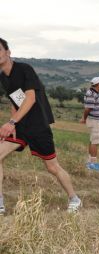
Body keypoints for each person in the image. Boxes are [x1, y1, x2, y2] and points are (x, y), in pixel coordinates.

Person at [0, 37, 81, 214]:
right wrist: (13, 124)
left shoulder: (24, 69)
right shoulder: (3, 77)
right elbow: (15, 101)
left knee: (52, 167)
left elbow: (30, 98)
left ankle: (74, 199)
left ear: (8, 52)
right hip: (20, 126)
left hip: (38, 125)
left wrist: (11, 122)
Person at [80, 76, 99, 171]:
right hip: (96, 121)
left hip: (96, 120)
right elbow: (88, 108)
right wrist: (84, 118)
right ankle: (92, 164)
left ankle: (90, 162)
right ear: (98, 85)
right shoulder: (91, 94)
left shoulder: (92, 93)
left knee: (93, 140)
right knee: (95, 141)